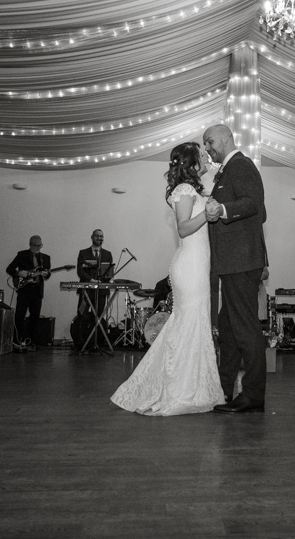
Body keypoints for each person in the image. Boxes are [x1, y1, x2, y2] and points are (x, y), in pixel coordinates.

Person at [111, 142, 225, 415]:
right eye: (201, 155)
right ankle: (177, 389)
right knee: (188, 323)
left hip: (198, 264)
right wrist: (207, 215)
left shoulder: (193, 189)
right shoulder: (184, 190)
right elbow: (184, 228)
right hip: (190, 266)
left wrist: (210, 176)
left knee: (192, 324)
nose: (205, 157)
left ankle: (192, 386)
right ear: (191, 162)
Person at [203, 124, 268, 413]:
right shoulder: (226, 172)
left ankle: (253, 395)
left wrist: (224, 210)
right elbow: (261, 211)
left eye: (210, 141)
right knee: (228, 330)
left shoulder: (240, 165)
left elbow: (254, 205)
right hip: (232, 262)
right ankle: (223, 388)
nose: (207, 147)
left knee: (245, 329)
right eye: (205, 144)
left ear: (227, 137)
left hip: (240, 262)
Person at [71, 229, 114, 351]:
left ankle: (95, 343)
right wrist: (90, 280)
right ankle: (80, 344)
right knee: (82, 315)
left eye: (101, 236)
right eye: (97, 236)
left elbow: (109, 272)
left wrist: (107, 279)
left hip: (101, 292)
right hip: (86, 291)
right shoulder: (83, 253)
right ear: (92, 237)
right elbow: (80, 271)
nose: (99, 238)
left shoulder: (107, 254)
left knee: (98, 317)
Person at [6, 236, 51, 350]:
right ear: (30, 244)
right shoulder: (22, 255)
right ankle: (16, 340)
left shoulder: (45, 258)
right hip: (24, 290)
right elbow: (9, 269)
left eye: (40, 245)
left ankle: (29, 341)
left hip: (37, 291)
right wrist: (19, 273)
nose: (38, 248)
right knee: (20, 315)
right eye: (35, 245)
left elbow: (47, 273)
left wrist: (46, 274)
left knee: (34, 317)